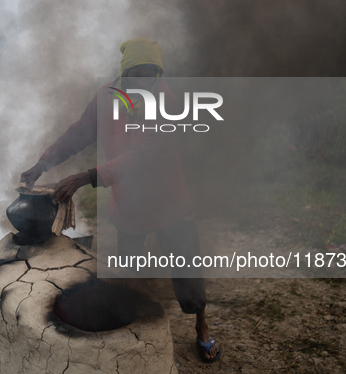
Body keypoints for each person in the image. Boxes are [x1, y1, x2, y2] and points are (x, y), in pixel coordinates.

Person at [20, 38, 221, 362]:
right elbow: (77, 134)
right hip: (129, 204)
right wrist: (41, 165)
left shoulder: (165, 101)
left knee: (187, 271)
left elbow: (142, 156)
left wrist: (85, 177)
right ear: (124, 74)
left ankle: (202, 326)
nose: (143, 81)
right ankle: (136, 331)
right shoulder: (107, 99)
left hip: (168, 202)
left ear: (158, 74)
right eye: (136, 73)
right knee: (129, 272)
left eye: (150, 74)